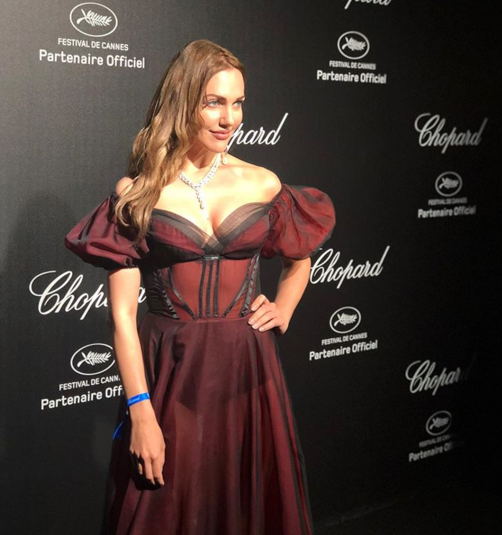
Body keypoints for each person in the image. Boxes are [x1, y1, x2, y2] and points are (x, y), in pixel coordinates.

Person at [65, 39, 335, 535]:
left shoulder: (262, 182)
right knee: (163, 507)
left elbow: (300, 261)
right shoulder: (138, 192)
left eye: (238, 103)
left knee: (246, 505)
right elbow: (122, 317)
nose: (229, 118)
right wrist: (140, 411)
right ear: (184, 100)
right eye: (213, 102)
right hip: (172, 371)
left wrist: (284, 308)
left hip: (248, 367)